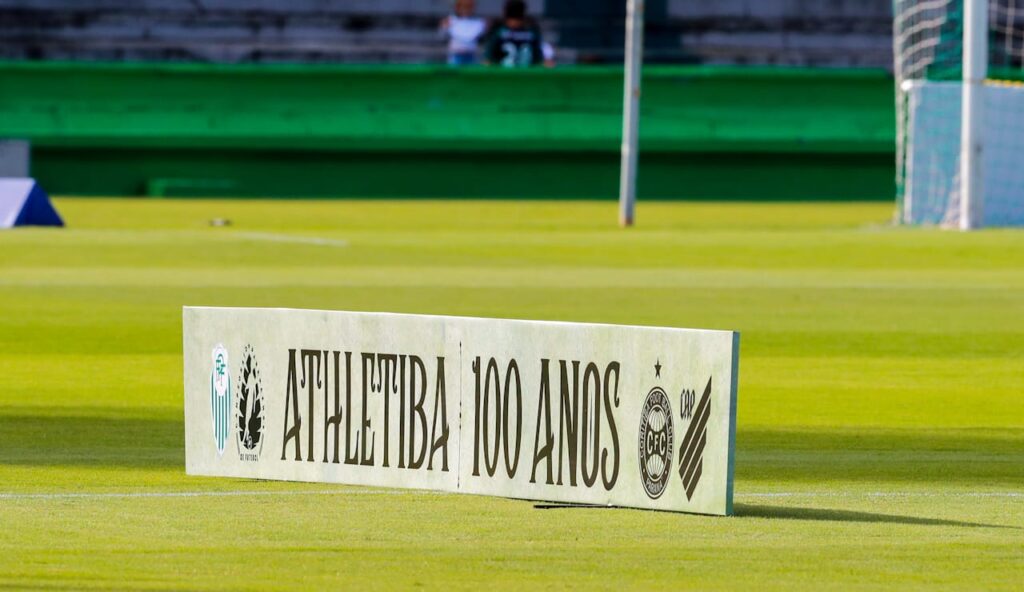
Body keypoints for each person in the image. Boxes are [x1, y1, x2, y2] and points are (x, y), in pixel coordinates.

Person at [483, 0, 545, 67]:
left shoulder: (531, 32)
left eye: (517, 19)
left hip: (526, 74)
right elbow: (488, 59)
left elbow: (539, 58)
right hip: (502, 74)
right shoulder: (498, 31)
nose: (514, 23)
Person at [440, 0, 487, 66]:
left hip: (471, 55)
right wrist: (444, 27)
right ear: (457, 7)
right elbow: (442, 36)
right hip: (455, 55)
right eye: (462, 6)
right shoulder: (450, 21)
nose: (465, 9)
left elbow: (480, 37)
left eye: (468, 7)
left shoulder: (479, 23)